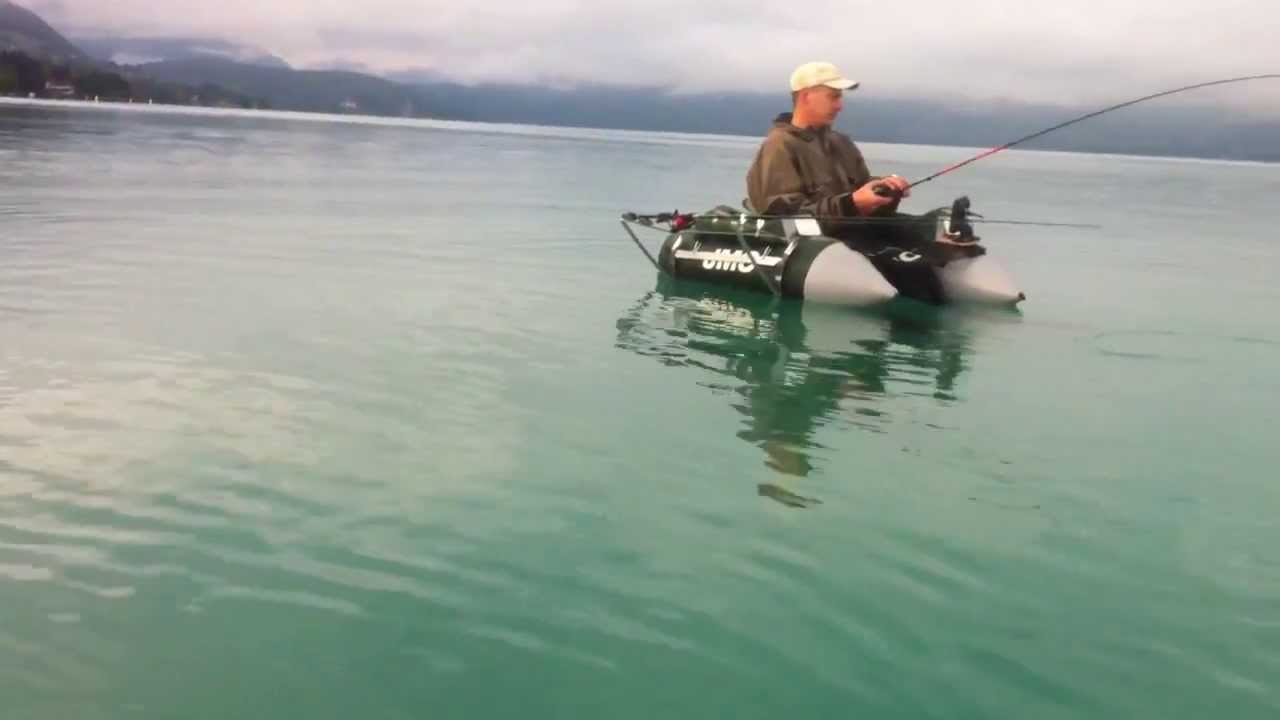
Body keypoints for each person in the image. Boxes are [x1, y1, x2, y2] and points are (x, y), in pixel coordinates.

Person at [745, 61, 911, 218]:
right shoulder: (779, 145)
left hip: (857, 237)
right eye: (833, 97)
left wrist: (886, 190)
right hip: (817, 244)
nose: (840, 106)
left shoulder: (842, 142)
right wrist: (850, 204)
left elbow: (861, 197)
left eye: (840, 97)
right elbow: (783, 215)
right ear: (806, 97)